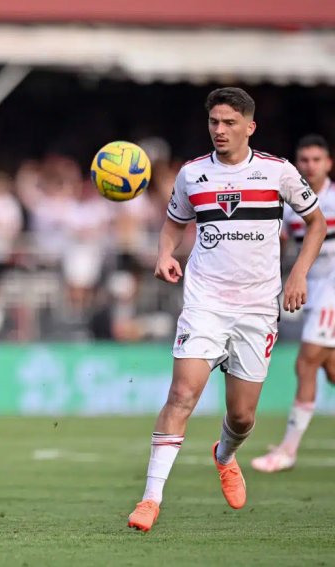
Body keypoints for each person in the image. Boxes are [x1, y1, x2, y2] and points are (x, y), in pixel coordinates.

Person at [126, 87, 326, 532]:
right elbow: (174, 222)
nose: (219, 129)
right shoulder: (192, 174)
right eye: (214, 122)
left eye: (229, 122)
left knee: (241, 416)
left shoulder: (277, 172)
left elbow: (315, 223)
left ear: (250, 127)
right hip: (206, 302)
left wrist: (298, 275)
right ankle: (150, 499)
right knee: (182, 394)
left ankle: (225, 454)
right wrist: (164, 253)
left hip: (258, 308)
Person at [252, 135, 335, 472]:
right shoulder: (291, 206)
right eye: (304, 160)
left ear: (328, 164)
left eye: (316, 160)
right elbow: (280, 243)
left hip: (333, 291)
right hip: (312, 291)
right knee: (330, 369)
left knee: (306, 363)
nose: (310, 166)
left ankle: (288, 450)